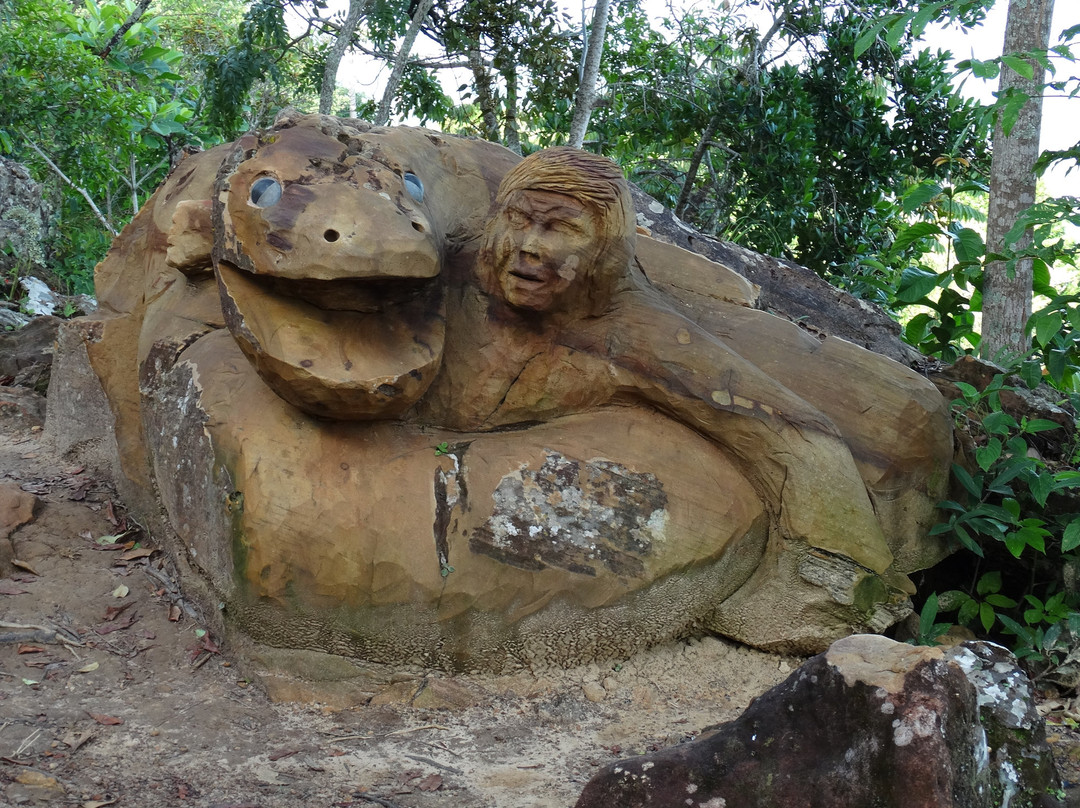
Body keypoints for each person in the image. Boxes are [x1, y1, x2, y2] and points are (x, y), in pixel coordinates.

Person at [412, 147, 893, 573]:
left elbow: (793, 434)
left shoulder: (629, 330)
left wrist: (832, 574)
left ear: (604, 245)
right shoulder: (450, 269)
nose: (531, 245)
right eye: (518, 219)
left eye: (561, 228)